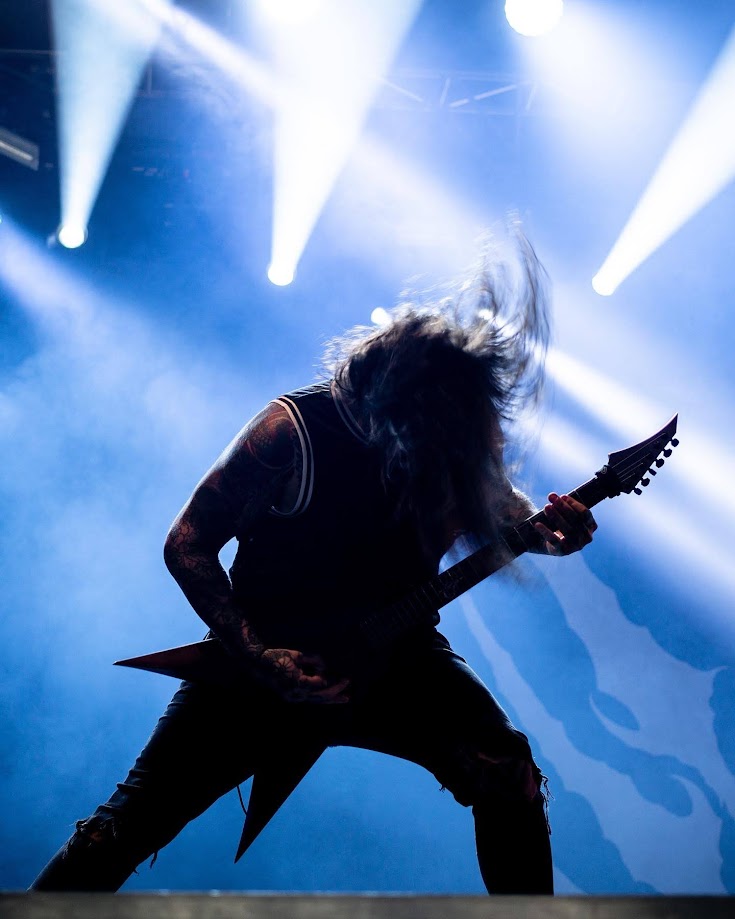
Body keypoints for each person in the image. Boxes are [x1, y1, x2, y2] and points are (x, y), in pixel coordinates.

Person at [31, 239, 596, 894]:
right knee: (119, 831)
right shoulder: (290, 430)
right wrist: (257, 656)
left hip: (399, 657)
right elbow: (187, 543)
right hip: (264, 662)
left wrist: (553, 534)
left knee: (506, 771)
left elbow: (506, 514)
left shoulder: (452, 431)